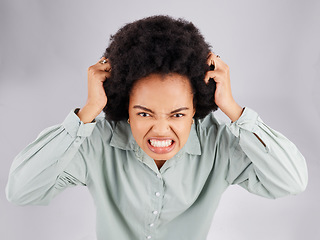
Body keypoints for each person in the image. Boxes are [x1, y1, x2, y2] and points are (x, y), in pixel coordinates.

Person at [6, 15, 308, 240]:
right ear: (125, 108)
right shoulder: (98, 143)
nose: (161, 130)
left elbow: (292, 181)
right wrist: (86, 114)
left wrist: (233, 110)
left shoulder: (219, 145)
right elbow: (20, 190)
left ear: (195, 110)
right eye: (144, 113)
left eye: (177, 115)